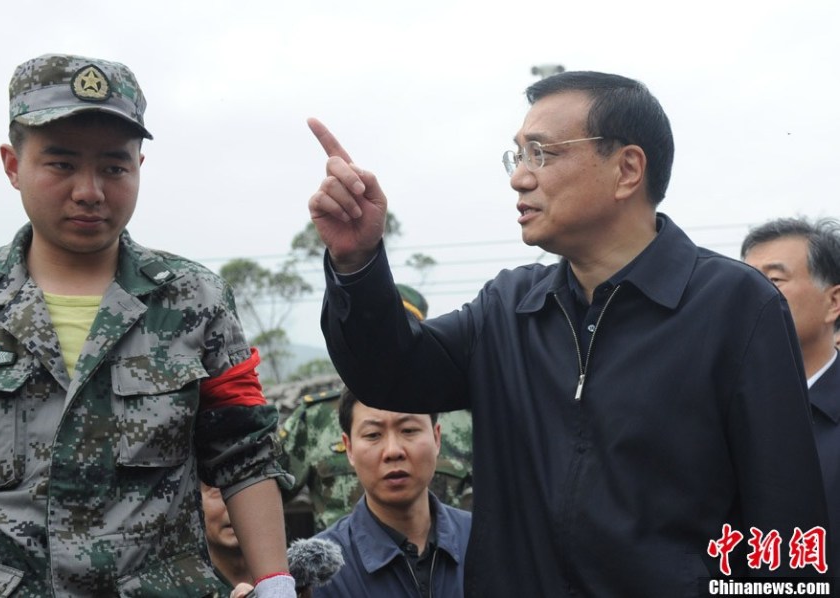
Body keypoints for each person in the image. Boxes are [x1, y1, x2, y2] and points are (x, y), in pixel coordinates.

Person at [306, 71, 829, 595]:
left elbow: (786, 525)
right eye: (518, 156)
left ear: (627, 169)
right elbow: (390, 373)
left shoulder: (734, 306)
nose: (520, 178)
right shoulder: (508, 308)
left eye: (542, 154)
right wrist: (356, 262)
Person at [0, 53, 295, 597]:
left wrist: (275, 585)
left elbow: (244, 451)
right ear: (12, 165)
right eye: (61, 164)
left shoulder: (194, 299)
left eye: (113, 167)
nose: (90, 191)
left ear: (139, 168)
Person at [279, 284, 473, 535]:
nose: (386, 346)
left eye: (401, 333)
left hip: (443, 564)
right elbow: (260, 497)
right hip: (343, 569)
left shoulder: (458, 417)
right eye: (372, 333)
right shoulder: (315, 419)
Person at [741, 217, 840, 574]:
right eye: (745, 280)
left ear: (834, 302)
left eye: (774, 280)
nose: (751, 294)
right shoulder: (715, 405)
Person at [312, 387, 471, 597]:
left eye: (409, 430)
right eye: (373, 435)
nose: (393, 451)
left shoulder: (482, 539)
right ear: (349, 448)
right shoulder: (322, 573)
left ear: (436, 438)